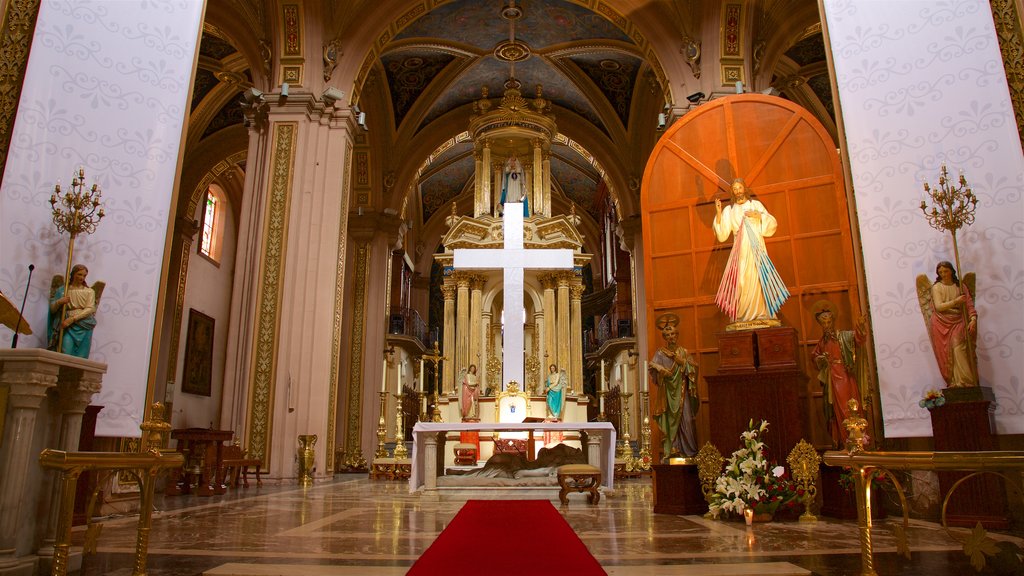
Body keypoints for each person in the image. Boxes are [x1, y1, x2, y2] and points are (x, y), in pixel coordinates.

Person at [713, 178, 789, 327]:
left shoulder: (756, 205)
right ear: (733, 192)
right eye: (735, 189)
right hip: (740, 251)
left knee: (759, 279)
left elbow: (771, 224)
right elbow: (722, 235)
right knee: (742, 280)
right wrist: (719, 213)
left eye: (740, 187)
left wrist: (759, 216)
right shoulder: (730, 210)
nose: (738, 191)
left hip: (757, 249)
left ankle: (762, 313)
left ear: (745, 189)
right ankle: (742, 315)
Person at [812, 301, 868, 447]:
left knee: (849, 408)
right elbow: (815, 357)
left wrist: (860, 326)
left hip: (845, 378)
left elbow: (858, 338)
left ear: (833, 321)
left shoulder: (843, 336)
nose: (826, 325)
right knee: (835, 412)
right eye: (823, 323)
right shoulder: (822, 342)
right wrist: (821, 359)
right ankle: (844, 443)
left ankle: (857, 442)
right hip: (831, 380)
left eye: (829, 322)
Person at [649, 313, 699, 458]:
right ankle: (674, 448)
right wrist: (660, 370)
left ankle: (689, 452)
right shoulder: (660, 353)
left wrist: (682, 362)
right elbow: (652, 365)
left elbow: (694, 368)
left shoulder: (683, 352)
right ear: (664, 337)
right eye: (668, 335)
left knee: (688, 420)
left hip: (682, 390)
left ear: (677, 335)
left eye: (673, 334)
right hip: (668, 393)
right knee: (670, 422)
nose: (671, 337)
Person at [923, 260, 978, 387]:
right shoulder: (937, 287)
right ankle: (954, 381)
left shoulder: (960, 286)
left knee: (959, 349)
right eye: (940, 272)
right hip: (941, 323)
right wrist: (956, 301)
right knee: (947, 352)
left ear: (951, 271)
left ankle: (967, 381)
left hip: (959, 320)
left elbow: (969, 304)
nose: (943, 274)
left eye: (945, 271)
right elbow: (938, 306)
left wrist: (973, 319)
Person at [48, 263, 97, 358]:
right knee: (65, 350)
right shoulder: (63, 290)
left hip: (84, 324)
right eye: (79, 274)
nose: (82, 277)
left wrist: (72, 319)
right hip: (67, 326)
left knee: (82, 355)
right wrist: (59, 302)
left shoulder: (89, 291)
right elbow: (53, 310)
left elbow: (90, 308)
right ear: (73, 274)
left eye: (84, 275)